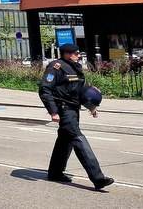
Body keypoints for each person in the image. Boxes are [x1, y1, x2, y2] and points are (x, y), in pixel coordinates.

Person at [39, 43, 113, 190]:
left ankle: (55, 172)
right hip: (64, 110)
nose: (78, 55)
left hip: (74, 109)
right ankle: (97, 178)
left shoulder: (75, 67)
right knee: (77, 139)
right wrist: (53, 111)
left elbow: (79, 92)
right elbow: (44, 90)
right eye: (76, 53)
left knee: (65, 140)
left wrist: (91, 107)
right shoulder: (55, 67)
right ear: (67, 54)